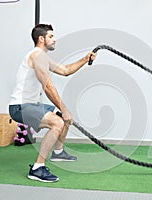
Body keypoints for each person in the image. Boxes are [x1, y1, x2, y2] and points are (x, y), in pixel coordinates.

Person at [9, 24, 96, 183]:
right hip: (19, 107)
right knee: (58, 122)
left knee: (63, 116)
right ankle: (37, 168)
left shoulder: (43, 57)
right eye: (51, 36)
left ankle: (58, 152)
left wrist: (85, 59)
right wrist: (64, 109)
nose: (54, 39)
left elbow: (65, 70)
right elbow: (47, 86)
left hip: (31, 105)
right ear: (41, 39)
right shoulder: (37, 56)